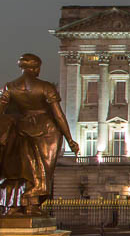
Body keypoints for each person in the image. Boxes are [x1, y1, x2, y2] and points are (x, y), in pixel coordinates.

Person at [0, 53, 79, 214]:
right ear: (35, 68)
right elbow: (58, 115)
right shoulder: (45, 86)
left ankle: (15, 205)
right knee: (42, 170)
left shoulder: (10, 87)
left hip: (21, 128)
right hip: (46, 131)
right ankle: (32, 204)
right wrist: (69, 139)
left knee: (21, 168)